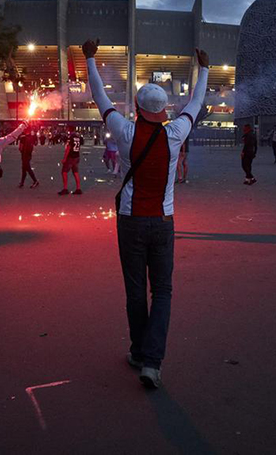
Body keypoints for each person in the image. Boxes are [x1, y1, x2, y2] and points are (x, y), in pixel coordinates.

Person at [84, 37, 208, 388]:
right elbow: (196, 103)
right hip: (164, 222)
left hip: (130, 222)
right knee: (164, 291)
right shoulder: (176, 134)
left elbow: (99, 98)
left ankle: (139, 351)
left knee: (135, 291)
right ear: (166, 109)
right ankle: (152, 362)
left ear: (137, 107)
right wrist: (205, 69)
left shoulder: (124, 131)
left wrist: (90, 58)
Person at [59, 124, 83, 195]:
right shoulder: (77, 137)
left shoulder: (70, 137)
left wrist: (64, 158)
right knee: (75, 172)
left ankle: (65, 188)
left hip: (71, 157)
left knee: (64, 172)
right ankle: (78, 188)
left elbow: (68, 148)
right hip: (76, 156)